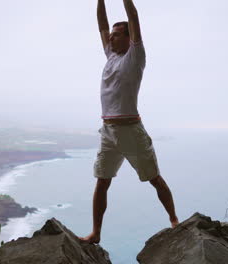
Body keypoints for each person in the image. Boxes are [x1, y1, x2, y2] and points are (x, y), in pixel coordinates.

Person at [79, 0, 179, 244]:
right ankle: (96, 234)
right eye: (111, 36)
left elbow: (133, 17)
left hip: (131, 130)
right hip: (108, 130)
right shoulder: (111, 55)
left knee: (154, 178)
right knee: (102, 182)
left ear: (128, 37)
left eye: (116, 35)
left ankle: (175, 221)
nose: (110, 39)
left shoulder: (135, 56)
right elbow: (101, 25)